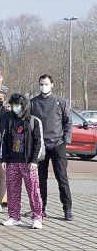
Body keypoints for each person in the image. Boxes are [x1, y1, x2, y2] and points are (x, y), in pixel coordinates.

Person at [0, 93, 45, 229]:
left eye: (18, 105)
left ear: (24, 106)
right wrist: (4, 159)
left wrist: (34, 160)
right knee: (12, 190)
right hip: (12, 161)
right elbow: (5, 141)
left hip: (29, 163)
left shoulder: (33, 121)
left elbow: (38, 142)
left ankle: (37, 217)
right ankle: (14, 216)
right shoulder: (9, 121)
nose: (15, 108)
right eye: (13, 105)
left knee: (33, 191)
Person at [30, 74, 73, 221]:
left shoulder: (61, 102)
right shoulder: (33, 103)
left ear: (52, 85)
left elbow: (68, 122)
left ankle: (67, 209)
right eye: (42, 84)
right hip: (40, 146)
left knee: (62, 177)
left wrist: (65, 140)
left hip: (57, 145)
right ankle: (40, 209)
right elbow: (29, 124)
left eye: (46, 84)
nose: (44, 86)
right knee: (40, 180)